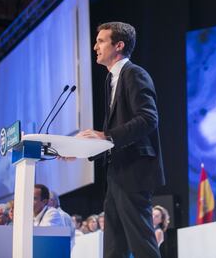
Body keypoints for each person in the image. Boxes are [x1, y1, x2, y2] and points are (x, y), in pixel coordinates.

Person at [76, 21, 165, 258]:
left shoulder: (134, 74)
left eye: (101, 41)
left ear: (119, 45)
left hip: (134, 172)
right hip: (116, 173)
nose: (95, 46)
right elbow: (113, 132)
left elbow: (148, 118)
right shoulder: (111, 80)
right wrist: (79, 149)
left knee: (142, 243)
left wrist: (107, 135)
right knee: (114, 247)